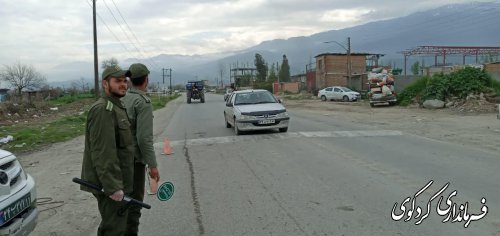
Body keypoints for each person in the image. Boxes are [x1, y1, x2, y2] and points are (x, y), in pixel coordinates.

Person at [80, 65, 134, 236]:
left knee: (119, 227)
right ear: (105, 84)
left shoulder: (116, 106)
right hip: (110, 185)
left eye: (125, 81)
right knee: (113, 230)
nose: (123, 84)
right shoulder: (103, 109)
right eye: (117, 81)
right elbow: (104, 153)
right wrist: (113, 187)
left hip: (119, 180)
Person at [122, 63, 160, 236]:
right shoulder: (142, 102)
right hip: (134, 161)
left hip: (119, 159)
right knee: (134, 205)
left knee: (121, 203)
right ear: (146, 80)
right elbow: (144, 139)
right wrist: (152, 165)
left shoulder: (123, 98)